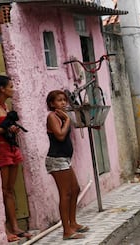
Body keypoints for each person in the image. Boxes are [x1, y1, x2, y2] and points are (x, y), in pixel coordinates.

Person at [0, 71, 32, 242]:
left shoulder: (5, 106)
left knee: (10, 189)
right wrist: (5, 129)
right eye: (10, 87)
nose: (13, 90)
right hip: (1, 150)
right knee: (3, 190)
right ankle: (4, 229)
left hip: (11, 147)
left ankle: (14, 226)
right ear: (2, 89)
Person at [46, 90, 89, 240]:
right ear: (52, 104)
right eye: (59, 100)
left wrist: (67, 119)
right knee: (65, 194)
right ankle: (66, 231)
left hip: (64, 159)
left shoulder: (61, 116)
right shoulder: (52, 116)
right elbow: (59, 135)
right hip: (56, 159)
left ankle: (73, 223)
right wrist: (68, 121)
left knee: (75, 189)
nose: (63, 103)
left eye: (64, 100)